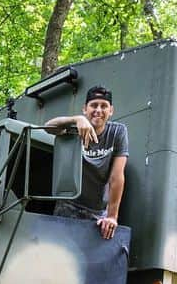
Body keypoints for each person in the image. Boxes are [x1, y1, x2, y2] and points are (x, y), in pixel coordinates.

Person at [45, 85, 128, 240]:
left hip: (98, 212)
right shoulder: (73, 128)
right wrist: (76, 119)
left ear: (111, 111)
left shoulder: (118, 132)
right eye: (93, 105)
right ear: (85, 109)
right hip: (69, 206)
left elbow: (117, 177)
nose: (98, 110)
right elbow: (48, 127)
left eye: (104, 106)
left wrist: (112, 216)